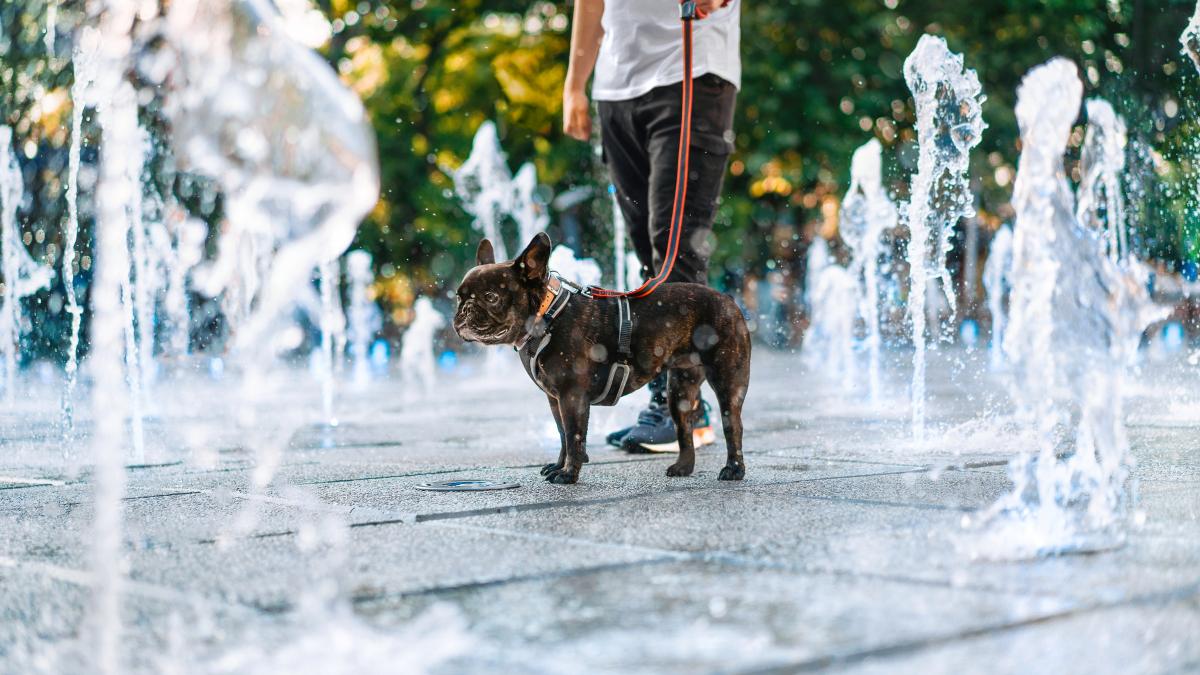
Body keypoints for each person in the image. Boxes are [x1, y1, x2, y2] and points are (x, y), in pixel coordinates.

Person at [563, 0, 740, 453]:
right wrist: (574, 86)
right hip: (616, 86)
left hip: (691, 70)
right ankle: (671, 396)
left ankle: (684, 410)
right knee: (649, 253)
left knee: (675, 251)